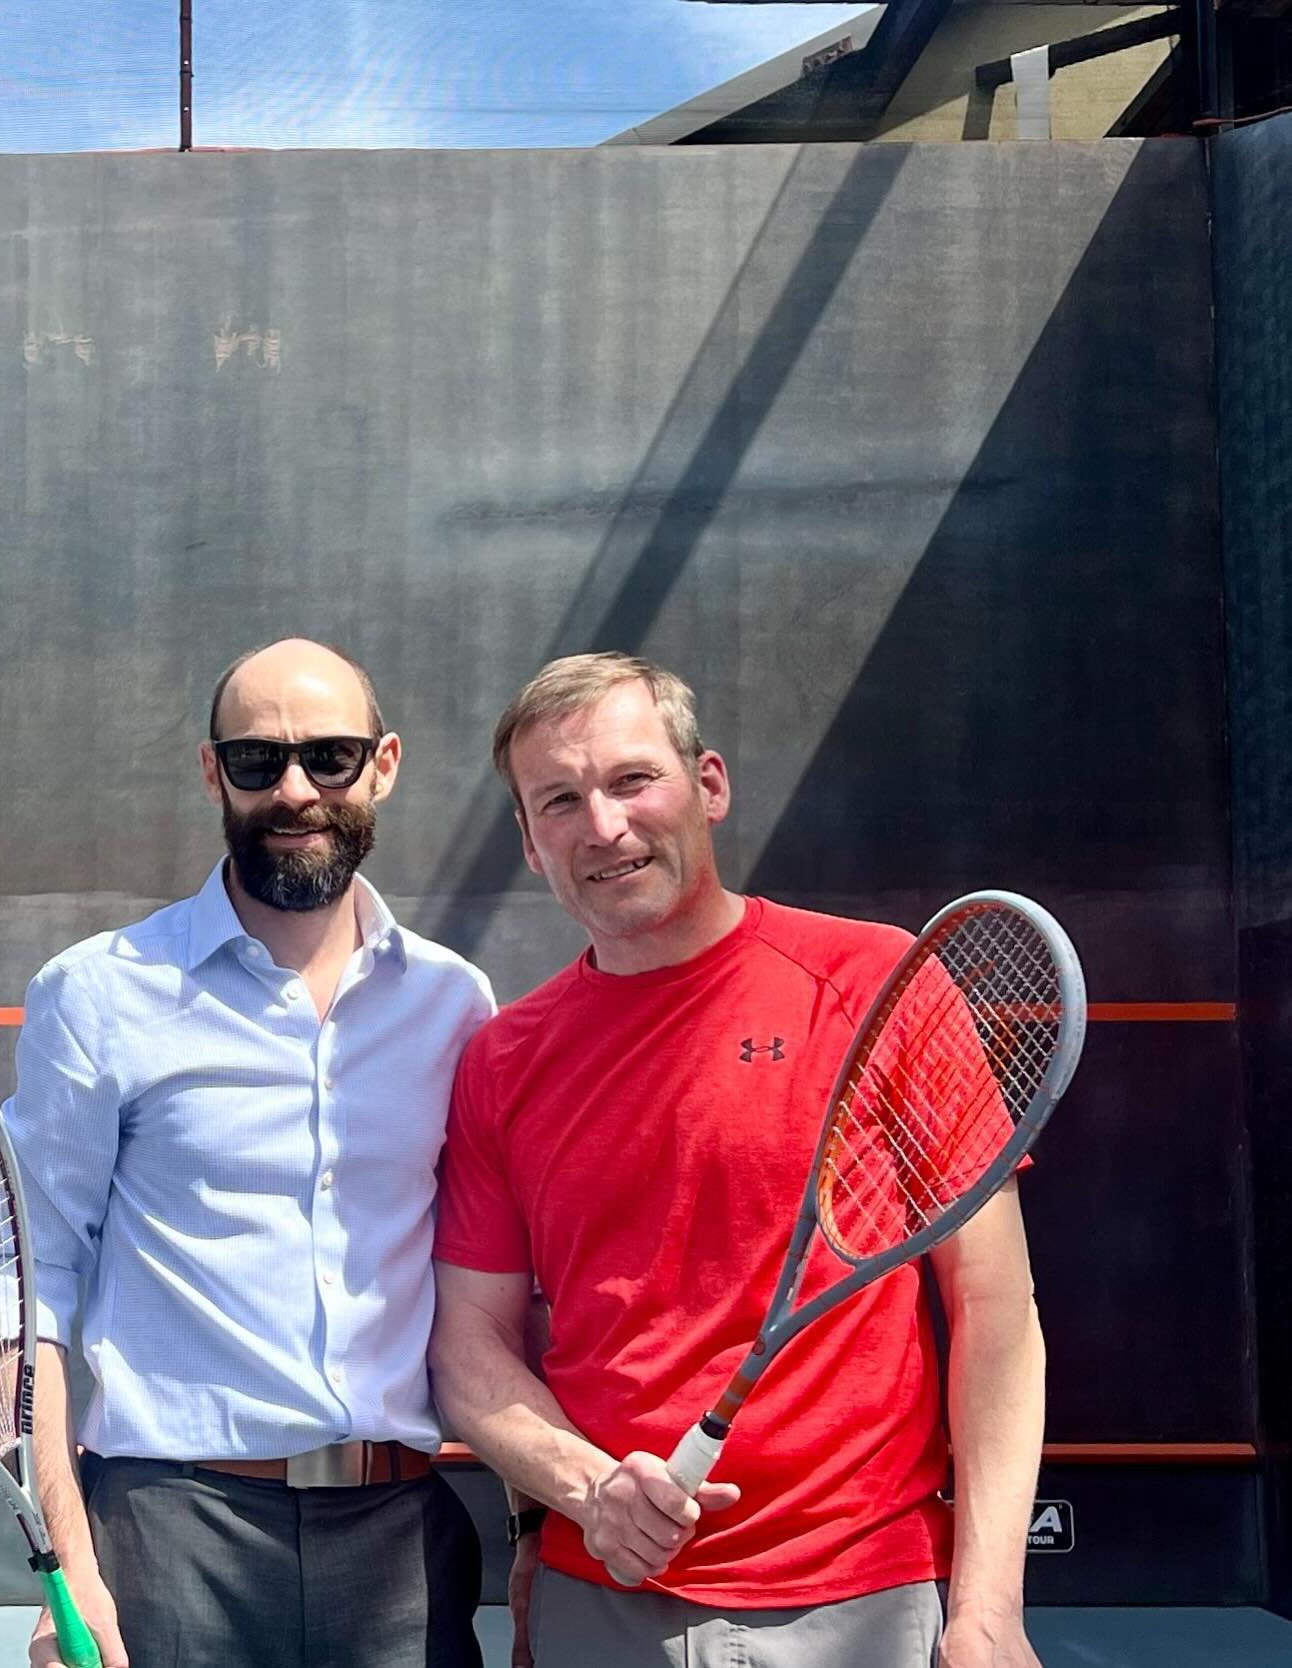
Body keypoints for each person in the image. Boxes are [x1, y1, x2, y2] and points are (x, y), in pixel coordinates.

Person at [430, 652, 1045, 1668]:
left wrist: (986, 1609)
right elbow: (469, 1350)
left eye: (633, 780)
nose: (605, 825)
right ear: (531, 845)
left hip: (867, 1598)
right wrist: (587, 1493)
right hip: (606, 1599)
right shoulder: (504, 1061)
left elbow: (995, 1311)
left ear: (707, 785)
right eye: (561, 801)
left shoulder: (878, 981)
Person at [5, 638, 494, 1668]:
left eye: (330, 756)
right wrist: (69, 1562)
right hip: (173, 1532)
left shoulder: (454, 1004)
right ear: (211, 772)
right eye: (257, 760)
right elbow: (25, 1283)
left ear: (386, 763)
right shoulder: (100, 995)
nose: (295, 790)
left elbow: (493, 1285)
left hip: (401, 1537)